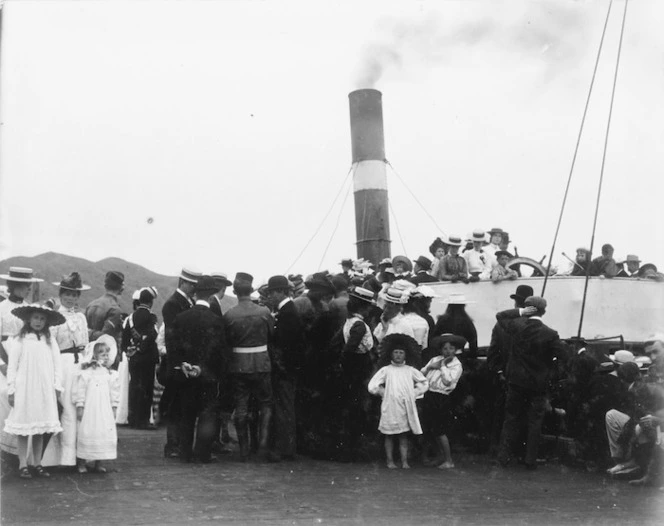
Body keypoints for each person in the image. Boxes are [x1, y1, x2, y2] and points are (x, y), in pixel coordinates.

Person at [495, 296, 569, 470]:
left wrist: (519, 311)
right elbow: (564, 356)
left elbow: (500, 316)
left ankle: (503, 457)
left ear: (528, 309)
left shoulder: (516, 326)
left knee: (511, 419)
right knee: (535, 421)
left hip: (516, 381)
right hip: (538, 384)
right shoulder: (550, 334)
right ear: (543, 311)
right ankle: (530, 460)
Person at [4, 304, 65, 479]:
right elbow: (12, 367)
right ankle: (23, 463)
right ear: (28, 319)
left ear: (46, 322)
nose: (38, 322)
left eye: (42, 318)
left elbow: (57, 364)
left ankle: (37, 462)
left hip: (44, 388)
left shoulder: (50, 340)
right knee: (25, 426)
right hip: (25, 388)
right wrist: (12, 389)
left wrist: (57, 385)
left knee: (40, 426)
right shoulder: (20, 340)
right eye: (36, 318)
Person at [170, 276, 227, 463]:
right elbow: (219, 352)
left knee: (186, 413)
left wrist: (183, 364)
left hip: (185, 375)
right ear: (212, 295)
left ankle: (184, 452)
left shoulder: (181, 318)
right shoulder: (217, 321)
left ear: (195, 294)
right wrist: (203, 368)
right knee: (206, 415)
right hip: (207, 376)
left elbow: (173, 347)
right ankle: (203, 453)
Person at [41, 273, 91, 468]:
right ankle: (65, 458)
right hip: (62, 363)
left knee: (81, 408)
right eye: (67, 294)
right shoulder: (55, 317)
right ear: (61, 294)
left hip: (80, 364)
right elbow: (51, 344)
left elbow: (85, 343)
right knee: (67, 410)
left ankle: (82, 456)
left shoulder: (81, 317)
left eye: (75, 295)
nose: (71, 298)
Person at [223, 272, 274, 461]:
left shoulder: (229, 315)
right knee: (266, 404)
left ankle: (244, 449)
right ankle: (263, 446)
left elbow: (227, 342)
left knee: (241, 406)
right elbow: (271, 336)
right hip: (262, 363)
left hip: (239, 366)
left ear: (235, 291)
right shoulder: (265, 312)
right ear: (251, 290)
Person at [0, 267, 43, 457]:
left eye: (29, 285)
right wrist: (3, 365)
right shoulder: (1, 308)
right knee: (5, 396)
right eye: (24, 286)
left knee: (27, 400)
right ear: (14, 285)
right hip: (4, 358)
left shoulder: (28, 309)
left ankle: (22, 455)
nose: (27, 289)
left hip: (25, 359)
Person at [368, 333, 429, 469]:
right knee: (389, 435)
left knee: (403, 435)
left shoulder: (410, 370)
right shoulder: (386, 370)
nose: (398, 355)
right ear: (391, 354)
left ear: (405, 355)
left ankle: (404, 461)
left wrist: (414, 393)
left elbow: (424, 383)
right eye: (395, 352)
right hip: (389, 406)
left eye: (401, 353)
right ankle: (390, 460)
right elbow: (372, 385)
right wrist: (384, 393)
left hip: (405, 406)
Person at [485, 284, 533, 454]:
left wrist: (499, 372)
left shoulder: (500, 325)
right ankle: (520, 452)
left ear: (516, 303)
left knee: (500, 415)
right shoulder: (534, 327)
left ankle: (497, 450)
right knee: (524, 416)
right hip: (526, 379)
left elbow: (492, 354)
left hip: (504, 377)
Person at [264, 275, 306, 462]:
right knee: (285, 407)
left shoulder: (287, 313)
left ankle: (285, 448)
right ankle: (286, 447)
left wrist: (280, 367)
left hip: (285, 370)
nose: (270, 296)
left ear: (281, 292)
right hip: (289, 369)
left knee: (284, 408)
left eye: (272, 292)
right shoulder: (288, 311)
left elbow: (286, 345)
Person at [161, 267, 200, 458]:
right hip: (178, 363)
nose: (194, 288)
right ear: (182, 282)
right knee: (175, 406)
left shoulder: (186, 302)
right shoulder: (172, 304)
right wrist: (178, 362)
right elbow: (172, 338)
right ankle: (172, 445)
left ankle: (178, 443)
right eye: (191, 284)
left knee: (182, 405)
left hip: (185, 362)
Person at [336, 286, 377, 461]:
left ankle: (349, 446)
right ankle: (354, 448)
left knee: (351, 407)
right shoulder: (359, 325)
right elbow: (350, 347)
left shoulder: (348, 322)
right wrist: (345, 361)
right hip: (359, 368)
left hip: (352, 369)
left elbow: (336, 344)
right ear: (363, 307)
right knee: (358, 406)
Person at [74, 337, 120, 474]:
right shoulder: (87, 373)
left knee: (103, 431)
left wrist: (114, 407)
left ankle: (99, 462)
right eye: (102, 354)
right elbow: (81, 390)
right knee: (88, 431)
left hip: (104, 409)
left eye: (107, 354)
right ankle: (81, 462)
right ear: (94, 355)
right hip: (91, 409)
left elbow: (114, 392)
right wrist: (80, 406)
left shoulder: (110, 374)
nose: (105, 357)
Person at [420, 334, 465, 469]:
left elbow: (448, 382)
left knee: (440, 430)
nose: (448, 351)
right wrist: (430, 367)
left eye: (451, 348)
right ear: (441, 350)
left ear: (455, 350)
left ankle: (449, 460)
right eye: (445, 349)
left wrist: (443, 366)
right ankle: (440, 457)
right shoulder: (435, 359)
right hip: (429, 395)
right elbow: (421, 375)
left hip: (441, 397)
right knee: (430, 429)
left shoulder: (456, 365)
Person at [122, 287, 159, 430]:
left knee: (135, 387)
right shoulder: (151, 317)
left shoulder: (129, 318)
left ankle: (132, 418)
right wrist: (143, 347)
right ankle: (143, 421)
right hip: (148, 358)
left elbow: (124, 341)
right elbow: (153, 335)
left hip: (134, 358)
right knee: (146, 389)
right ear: (150, 302)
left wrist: (131, 350)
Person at [432, 294, 478, 359]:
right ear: (463, 306)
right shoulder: (467, 321)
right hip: (460, 355)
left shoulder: (442, 320)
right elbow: (473, 342)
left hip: (443, 355)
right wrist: (472, 358)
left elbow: (434, 338)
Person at [85, 270, 125, 346]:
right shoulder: (115, 309)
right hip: (106, 352)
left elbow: (84, 331)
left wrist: (88, 332)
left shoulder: (91, 304)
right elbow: (104, 336)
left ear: (105, 286)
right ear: (121, 288)